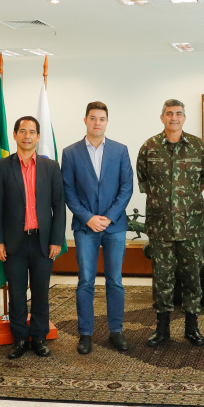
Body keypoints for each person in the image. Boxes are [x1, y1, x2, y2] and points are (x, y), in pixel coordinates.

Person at [136, 99, 204, 347]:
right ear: (162, 117)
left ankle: (192, 327)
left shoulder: (198, 147)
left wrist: (184, 200)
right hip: (161, 228)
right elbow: (145, 182)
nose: (174, 118)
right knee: (162, 280)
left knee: (192, 279)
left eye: (178, 113)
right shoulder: (149, 147)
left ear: (184, 118)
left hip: (191, 227)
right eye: (169, 114)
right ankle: (162, 329)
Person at [0, 116, 66, 359]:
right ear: (15, 135)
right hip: (14, 242)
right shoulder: (3, 166)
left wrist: (57, 239)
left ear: (38, 136)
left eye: (32, 132)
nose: (27, 136)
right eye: (22, 131)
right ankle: (20, 338)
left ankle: (40, 337)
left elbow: (59, 206)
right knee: (17, 293)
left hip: (43, 241)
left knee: (41, 292)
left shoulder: (50, 167)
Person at [61, 101, 134, 354]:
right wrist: (88, 218)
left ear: (107, 122)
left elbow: (126, 188)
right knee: (85, 281)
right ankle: (85, 334)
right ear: (85, 120)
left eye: (102, 119)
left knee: (115, 280)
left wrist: (109, 217)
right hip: (85, 228)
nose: (97, 123)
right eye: (93, 118)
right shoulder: (70, 153)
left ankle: (116, 331)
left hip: (114, 227)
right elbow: (68, 191)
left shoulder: (120, 150)